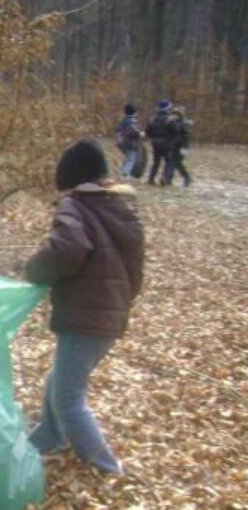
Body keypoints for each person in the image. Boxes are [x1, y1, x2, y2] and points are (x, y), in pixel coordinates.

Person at [24, 139, 145, 474]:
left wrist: (34, 271)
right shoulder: (119, 207)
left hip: (85, 317)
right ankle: (47, 437)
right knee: (60, 380)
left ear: (69, 177)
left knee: (68, 398)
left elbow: (67, 248)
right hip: (110, 314)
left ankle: (107, 467)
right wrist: (122, 301)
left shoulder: (75, 206)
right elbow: (134, 265)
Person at [145, 99, 178, 186]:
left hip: (155, 143)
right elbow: (174, 132)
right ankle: (164, 177)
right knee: (169, 161)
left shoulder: (152, 118)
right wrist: (172, 141)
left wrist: (152, 138)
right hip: (166, 143)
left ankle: (151, 179)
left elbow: (147, 131)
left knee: (156, 162)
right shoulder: (170, 119)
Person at [166, 104, 193, 187]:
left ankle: (186, 178)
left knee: (177, 163)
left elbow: (187, 136)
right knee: (174, 163)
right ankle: (169, 179)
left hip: (180, 146)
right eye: (173, 114)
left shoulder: (184, 124)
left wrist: (185, 147)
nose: (173, 116)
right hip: (174, 146)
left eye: (175, 114)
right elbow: (169, 132)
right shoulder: (172, 123)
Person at [114, 103, 143, 179]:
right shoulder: (133, 121)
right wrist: (141, 133)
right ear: (135, 112)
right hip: (131, 143)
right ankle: (125, 174)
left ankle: (125, 172)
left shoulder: (123, 120)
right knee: (131, 159)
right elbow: (135, 131)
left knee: (128, 158)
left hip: (122, 143)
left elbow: (118, 129)